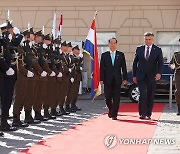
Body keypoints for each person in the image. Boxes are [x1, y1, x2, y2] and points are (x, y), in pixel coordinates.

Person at [132, 32, 164, 120]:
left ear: (152, 40)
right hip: (141, 76)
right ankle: (142, 113)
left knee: (150, 95)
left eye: (149, 39)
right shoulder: (139, 49)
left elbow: (161, 63)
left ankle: (148, 113)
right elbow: (135, 63)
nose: (148, 41)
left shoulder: (157, 50)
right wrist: (134, 75)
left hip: (152, 76)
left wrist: (159, 73)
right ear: (144, 39)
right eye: (146, 39)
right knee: (142, 94)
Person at [100, 37, 127, 120]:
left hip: (117, 79)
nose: (113, 45)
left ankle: (114, 114)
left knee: (116, 98)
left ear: (116, 44)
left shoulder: (121, 54)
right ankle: (111, 110)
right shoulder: (104, 55)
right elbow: (101, 68)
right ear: (108, 44)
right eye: (111, 43)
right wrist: (101, 79)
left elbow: (124, 68)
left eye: (114, 43)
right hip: (107, 79)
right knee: (107, 97)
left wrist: (125, 78)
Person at [170, 50, 180, 115]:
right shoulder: (176, 54)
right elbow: (171, 64)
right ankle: (179, 108)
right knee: (178, 91)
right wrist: (172, 66)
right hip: (178, 74)